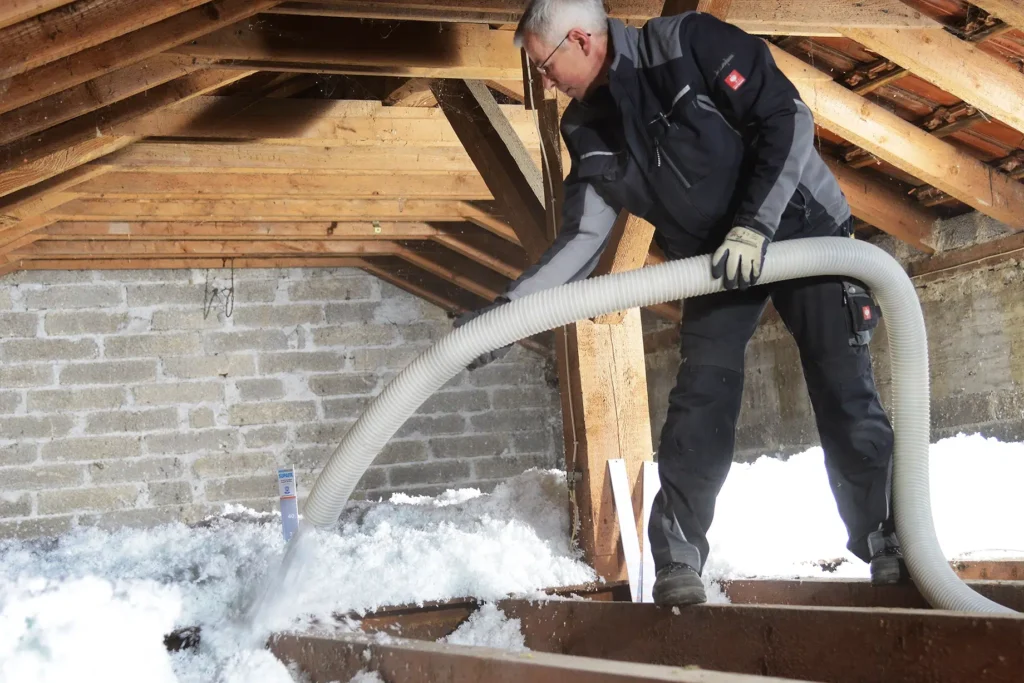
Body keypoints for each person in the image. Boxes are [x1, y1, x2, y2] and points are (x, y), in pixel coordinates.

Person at [454, 0, 904, 605]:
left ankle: (887, 542)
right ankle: (679, 563)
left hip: (801, 228)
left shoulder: (686, 44)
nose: (542, 82)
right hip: (715, 264)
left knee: (842, 388)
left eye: (543, 65)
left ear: (582, 41)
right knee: (700, 401)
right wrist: (505, 315)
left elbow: (787, 118)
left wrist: (754, 225)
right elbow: (582, 240)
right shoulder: (585, 128)